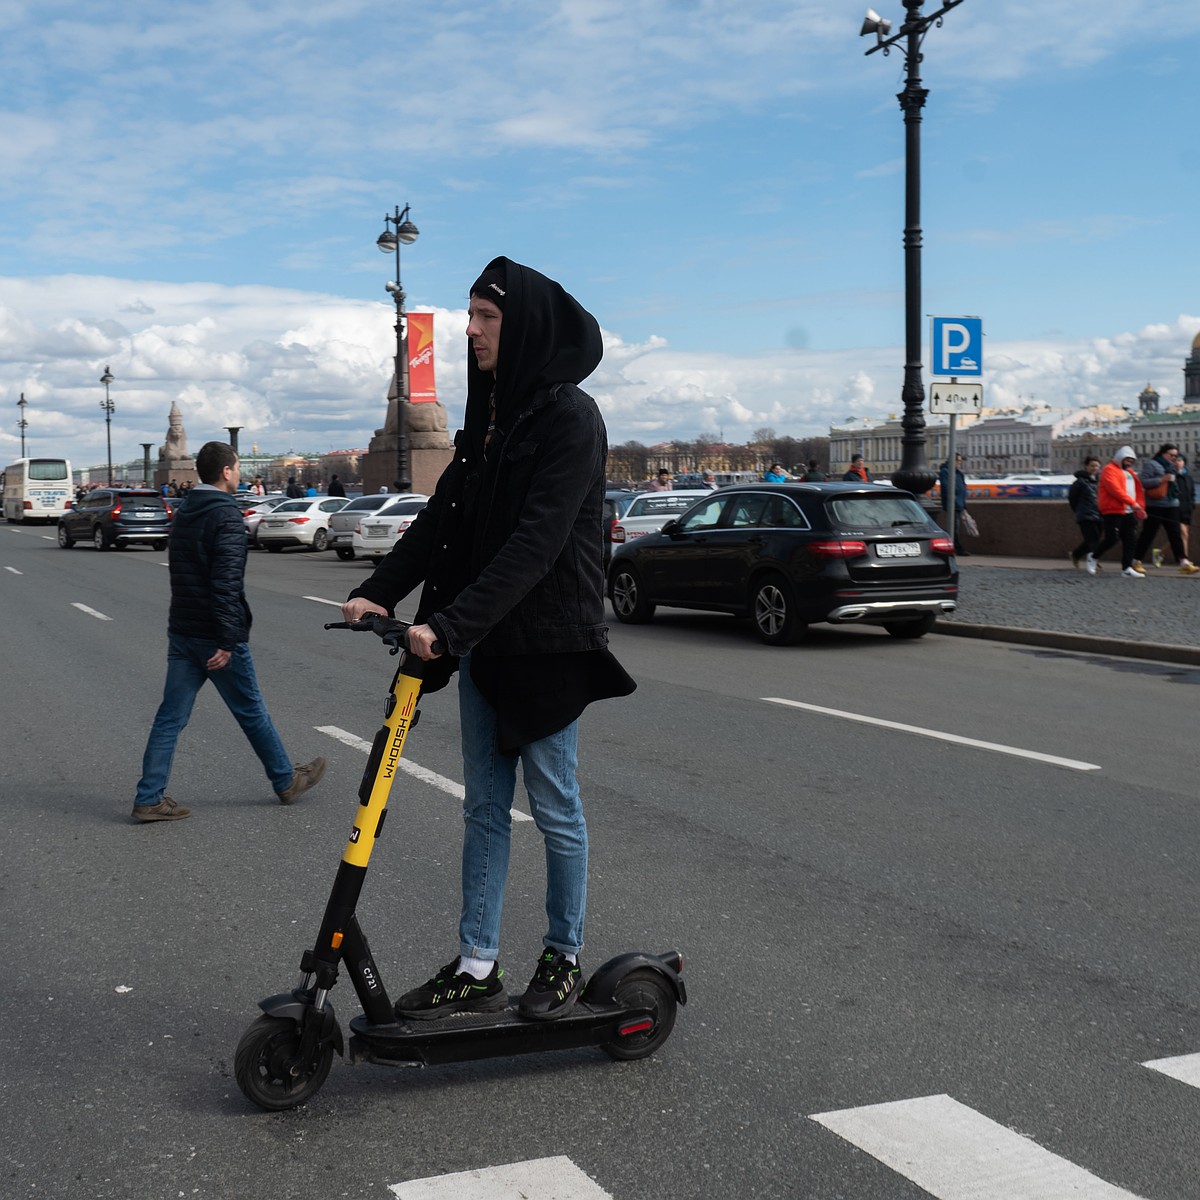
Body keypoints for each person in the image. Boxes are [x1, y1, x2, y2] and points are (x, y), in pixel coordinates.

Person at [340, 257, 635, 1023]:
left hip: (548, 643)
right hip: (486, 643)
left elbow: (534, 545)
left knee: (556, 805)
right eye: (469, 316)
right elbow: (445, 521)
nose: (470, 330)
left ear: (524, 324)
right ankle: (476, 963)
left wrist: (448, 625)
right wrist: (379, 590)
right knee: (483, 808)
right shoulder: (492, 418)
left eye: (486, 317)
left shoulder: (572, 418)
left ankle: (562, 955)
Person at [131, 442, 326, 821]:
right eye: (236, 468)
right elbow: (225, 585)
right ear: (226, 472)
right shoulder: (226, 517)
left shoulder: (185, 512)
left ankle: (149, 797)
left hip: (183, 631)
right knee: (251, 710)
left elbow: (182, 574)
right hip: (213, 636)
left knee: (170, 718)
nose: (238, 474)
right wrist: (227, 640)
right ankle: (286, 780)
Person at [1132, 443, 1199, 576]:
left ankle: (1184, 562)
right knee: (1148, 534)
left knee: (1175, 535)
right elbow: (1142, 482)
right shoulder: (1152, 464)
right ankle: (1136, 561)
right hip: (1156, 505)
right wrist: (1162, 479)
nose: (1174, 458)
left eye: (1176, 456)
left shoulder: (1172, 466)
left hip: (1172, 504)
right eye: (1171, 455)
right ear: (1163, 453)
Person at [1093, 445, 1147, 578]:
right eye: (1127, 459)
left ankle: (1127, 568)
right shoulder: (1109, 470)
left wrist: (1140, 507)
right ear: (1120, 458)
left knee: (1130, 540)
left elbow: (1137, 491)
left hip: (1129, 511)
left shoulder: (1130, 473)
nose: (1129, 462)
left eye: (1131, 460)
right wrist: (1132, 503)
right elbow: (1115, 490)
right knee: (1112, 539)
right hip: (1113, 511)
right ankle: (1093, 557)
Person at [1067, 457, 1103, 574]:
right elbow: (1072, 499)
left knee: (1094, 539)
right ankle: (1093, 561)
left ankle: (1076, 554)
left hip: (1099, 514)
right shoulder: (1079, 482)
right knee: (1092, 540)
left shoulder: (1099, 481)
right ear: (1086, 466)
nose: (1094, 468)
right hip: (1086, 515)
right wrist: (1080, 511)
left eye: (1096, 466)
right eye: (1092, 465)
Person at [937, 453, 971, 557]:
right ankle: (957, 548)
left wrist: (963, 505)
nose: (959, 463)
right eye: (958, 461)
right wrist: (955, 501)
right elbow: (948, 488)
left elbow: (963, 489)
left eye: (960, 461)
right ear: (952, 461)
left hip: (959, 504)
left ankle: (949, 545)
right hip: (952, 504)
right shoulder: (945, 472)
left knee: (954, 527)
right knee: (954, 527)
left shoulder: (959, 473)